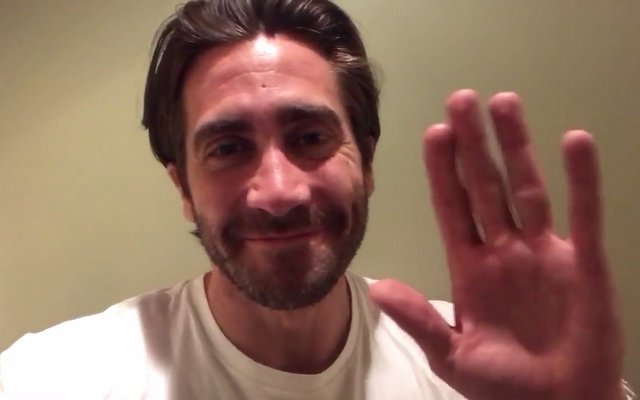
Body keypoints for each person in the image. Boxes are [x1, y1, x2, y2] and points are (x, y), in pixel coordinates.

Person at [0, 0, 633, 399]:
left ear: (367, 161)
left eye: (309, 138)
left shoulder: (478, 368)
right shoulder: (57, 378)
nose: (279, 193)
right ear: (183, 188)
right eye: (228, 148)